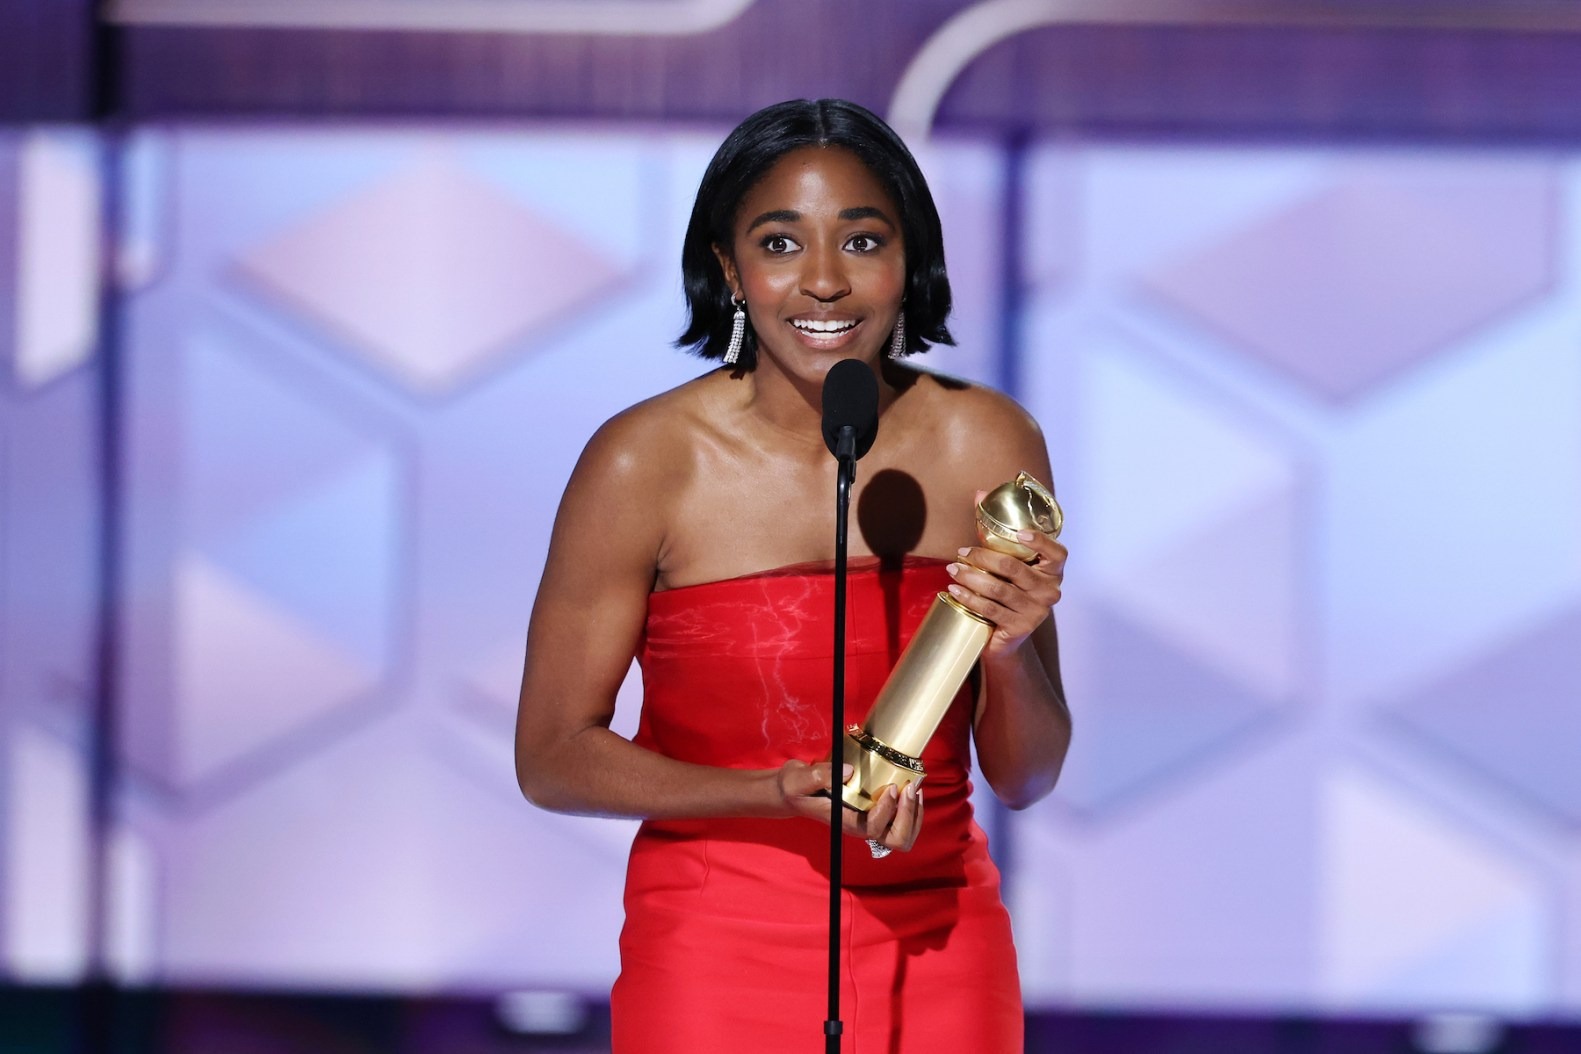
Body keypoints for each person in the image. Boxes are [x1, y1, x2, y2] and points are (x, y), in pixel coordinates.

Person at [515, 98, 1070, 1053]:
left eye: (862, 241)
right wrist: (765, 794)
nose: (822, 283)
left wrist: (1012, 650)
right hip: (711, 943)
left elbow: (1026, 775)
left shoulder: (986, 437)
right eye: (779, 244)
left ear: (911, 261)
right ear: (728, 266)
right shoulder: (642, 462)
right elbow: (552, 757)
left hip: (938, 942)